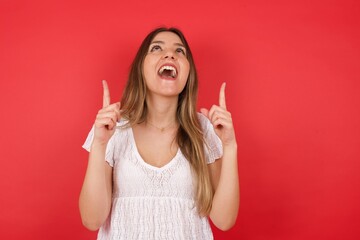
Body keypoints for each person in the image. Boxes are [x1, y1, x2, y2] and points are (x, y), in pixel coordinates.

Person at [79, 27, 239, 239]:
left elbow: (224, 220)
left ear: (188, 72)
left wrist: (229, 146)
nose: (170, 54)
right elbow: (92, 219)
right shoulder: (112, 127)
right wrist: (99, 145)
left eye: (180, 51)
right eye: (157, 48)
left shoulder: (204, 130)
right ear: (141, 68)